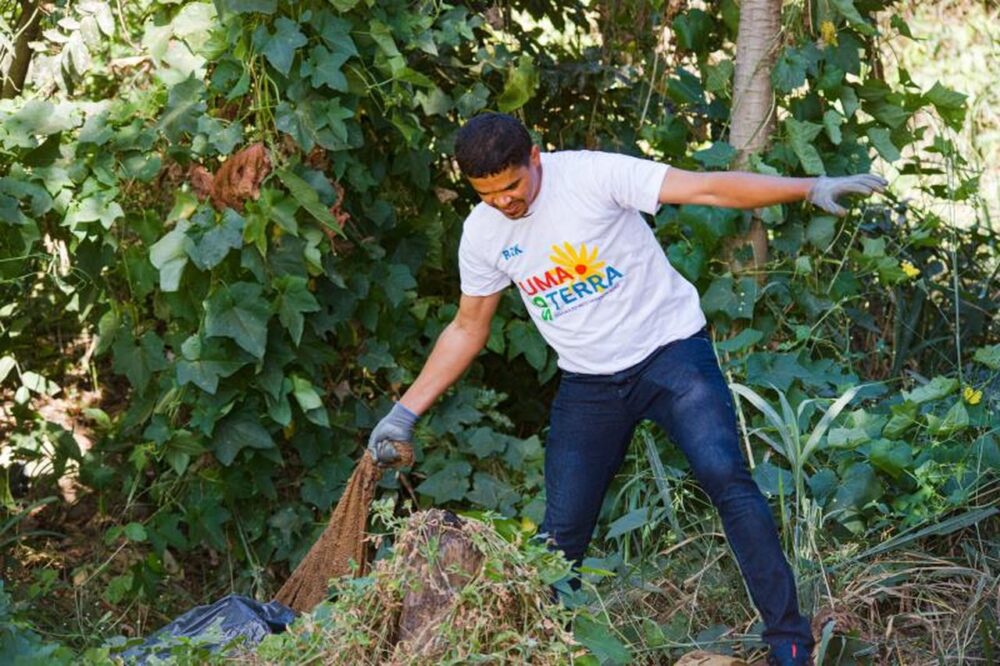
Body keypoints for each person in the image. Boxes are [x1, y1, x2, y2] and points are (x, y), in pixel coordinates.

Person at [367, 112, 887, 665]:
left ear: (535, 157)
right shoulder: (483, 232)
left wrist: (810, 187)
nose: (504, 203)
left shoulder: (593, 176)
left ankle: (789, 642)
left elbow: (706, 186)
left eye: (512, 187)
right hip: (589, 384)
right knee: (559, 537)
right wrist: (403, 413)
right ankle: (537, 654)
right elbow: (468, 328)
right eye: (488, 194)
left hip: (671, 356)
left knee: (727, 480)